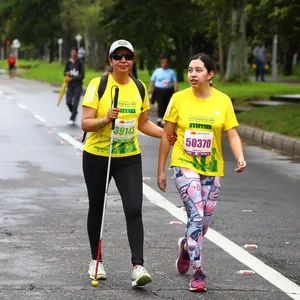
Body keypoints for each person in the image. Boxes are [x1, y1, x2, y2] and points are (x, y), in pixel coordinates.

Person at [81, 39, 175, 288]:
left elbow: (143, 123)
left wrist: (166, 133)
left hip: (128, 156)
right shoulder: (98, 85)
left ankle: (138, 266)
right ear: (110, 60)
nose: (123, 61)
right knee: (97, 207)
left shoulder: (139, 86)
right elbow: (86, 123)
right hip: (98, 155)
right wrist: (104, 119)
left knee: (134, 208)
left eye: (128, 56)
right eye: (118, 56)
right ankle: (96, 261)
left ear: (133, 60)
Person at [157, 53, 247, 292]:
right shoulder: (178, 99)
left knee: (204, 222)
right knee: (196, 217)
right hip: (184, 163)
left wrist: (239, 156)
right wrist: (162, 170)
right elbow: (167, 136)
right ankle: (197, 273)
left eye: (198, 70)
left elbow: (232, 133)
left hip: (211, 167)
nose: (192, 75)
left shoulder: (223, 101)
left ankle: (186, 247)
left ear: (210, 74)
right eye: (189, 70)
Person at [148, 54, 178, 127]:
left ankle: (164, 119)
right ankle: (159, 118)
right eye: (162, 63)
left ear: (167, 63)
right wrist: (150, 89)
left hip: (168, 90)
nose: (164, 64)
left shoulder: (171, 72)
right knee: (160, 104)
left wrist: (176, 89)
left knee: (167, 105)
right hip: (159, 90)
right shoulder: (157, 71)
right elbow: (152, 81)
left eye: (165, 63)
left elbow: (175, 81)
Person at [64, 47, 85, 125]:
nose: (73, 54)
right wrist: (67, 73)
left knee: (76, 102)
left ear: (77, 53)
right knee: (68, 102)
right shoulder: (69, 62)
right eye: (72, 52)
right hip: (70, 86)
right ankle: (74, 112)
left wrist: (72, 78)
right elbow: (65, 72)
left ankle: (72, 118)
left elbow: (82, 75)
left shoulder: (80, 62)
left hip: (78, 85)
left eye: (74, 52)